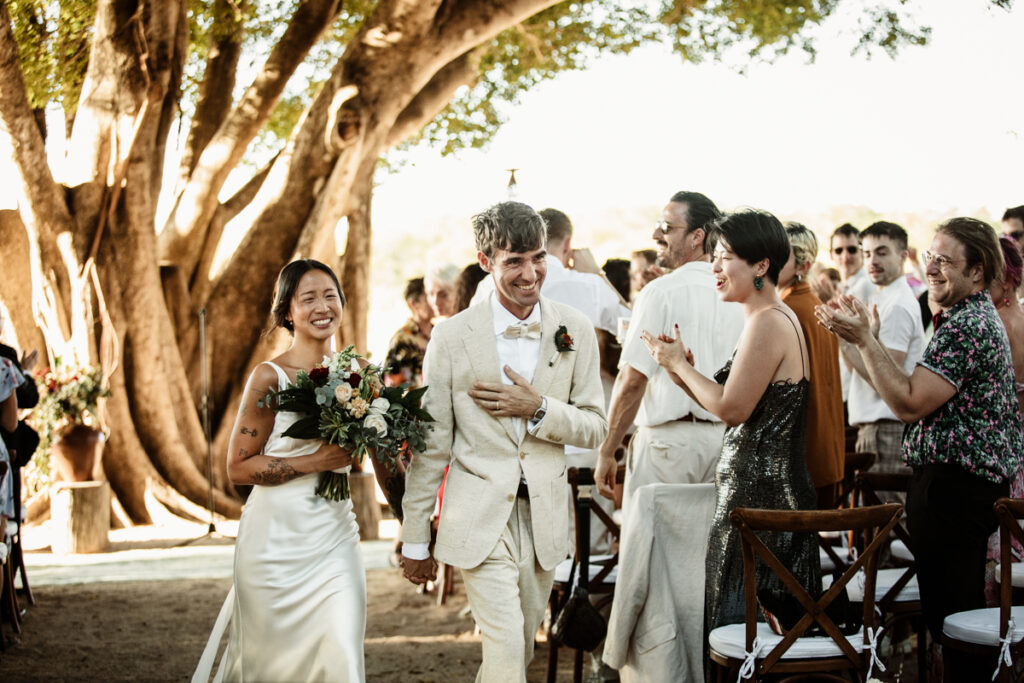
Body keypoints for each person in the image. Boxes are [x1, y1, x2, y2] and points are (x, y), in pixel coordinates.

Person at [400, 201, 608, 682]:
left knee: (520, 648)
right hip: (478, 513)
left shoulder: (573, 329)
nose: (530, 273)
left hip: (543, 515)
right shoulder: (451, 338)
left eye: (537, 258)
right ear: (485, 262)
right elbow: (432, 445)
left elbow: (595, 425)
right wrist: (415, 537)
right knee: (504, 641)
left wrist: (536, 408)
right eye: (514, 261)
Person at [816, 217, 1024, 677]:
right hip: (954, 489)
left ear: (977, 271)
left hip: (955, 492)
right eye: (930, 257)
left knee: (956, 623)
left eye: (945, 260)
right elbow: (908, 390)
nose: (931, 268)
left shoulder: (968, 324)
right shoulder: (961, 319)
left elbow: (908, 402)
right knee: (954, 621)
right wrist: (860, 340)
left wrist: (864, 339)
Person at [641, 209, 819, 633]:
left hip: (764, 503)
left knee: (748, 635)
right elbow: (726, 402)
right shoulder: (763, 318)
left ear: (761, 266)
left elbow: (731, 410)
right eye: (715, 257)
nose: (715, 268)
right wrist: (677, 367)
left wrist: (678, 368)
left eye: (726, 257)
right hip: (757, 497)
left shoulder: (770, 322)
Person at [194, 259, 365, 683]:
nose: (322, 306)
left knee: (341, 649)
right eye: (308, 298)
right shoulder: (269, 377)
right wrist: (315, 462)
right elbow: (237, 466)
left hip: (335, 538)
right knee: (271, 669)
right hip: (273, 546)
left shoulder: (358, 376)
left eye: (330, 295)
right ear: (288, 311)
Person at [595, 191, 743, 513]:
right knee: (708, 557)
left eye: (666, 226)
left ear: (697, 237)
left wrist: (608, 449)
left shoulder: (660, 291)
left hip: (668, 448)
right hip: (725, 444)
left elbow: (633, 380)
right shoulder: (737, 292)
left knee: (653, 554)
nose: (655, 234)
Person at [843, 222, 925, 476]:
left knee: (888, 513)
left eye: (881, 252)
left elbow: (888, 379)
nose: (872, 261)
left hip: (886, 427)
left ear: (903, 256)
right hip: (876, 426)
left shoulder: (897, 305)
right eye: (866, 254)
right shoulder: (883, 298)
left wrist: (845, 340)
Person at [779, 223, 845, 508]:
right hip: (823, 452)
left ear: (802, 265)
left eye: (778, 254)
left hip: (800, 456)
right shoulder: (813, 303)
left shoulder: (790, 309)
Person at [384, 277, 432, 387]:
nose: (434, 300)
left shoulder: (438, 332)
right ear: (413, 304)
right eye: (428, 296)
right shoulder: (401, 339)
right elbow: (391, 381)